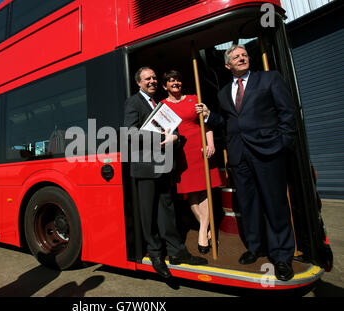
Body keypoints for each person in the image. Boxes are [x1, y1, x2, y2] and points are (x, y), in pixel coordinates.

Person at [196, 44, 296, 281]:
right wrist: (210, 115)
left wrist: (283, 143)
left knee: (275, 203)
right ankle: (254, 247)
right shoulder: (222, 93)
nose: (242, 58)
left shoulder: (269, 78)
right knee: (249, 204)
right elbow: (230, 120)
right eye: (236, 56)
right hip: (240, 155)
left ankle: (281, 256)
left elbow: (287, 113)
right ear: (227, 65)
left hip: (269, 151)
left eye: (244, 55)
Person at [124, 66, 208, 279]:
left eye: (153, 77)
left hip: (163, 167)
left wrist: (175, 139)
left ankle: (177, 252)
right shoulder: (134, 102)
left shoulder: (160, 105)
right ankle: (156, 255)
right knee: (149, 214)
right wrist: (159, 139)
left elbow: (174, 130)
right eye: (147, 78)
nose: (152, 81)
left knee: (167, 213)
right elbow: (130, 133)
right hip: (145, 169)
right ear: (139, 83)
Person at [161, 70, 222, 255]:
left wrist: (210, 143)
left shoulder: (194, 99)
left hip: (200, 149)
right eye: (171, 81)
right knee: (191, 194)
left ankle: (202, 231)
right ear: (165, 86)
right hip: (181, 152)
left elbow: (206, 123)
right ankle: (206, 226)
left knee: (205, 190)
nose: (176, 83)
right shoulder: (162, 106)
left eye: (178, 80)